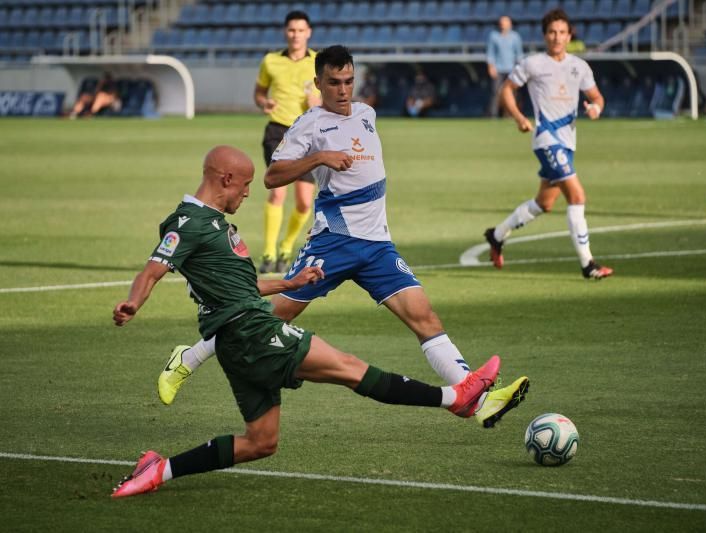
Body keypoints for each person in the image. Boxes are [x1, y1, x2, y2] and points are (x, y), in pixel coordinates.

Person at [158, 46, 530, 430]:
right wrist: (319, 158)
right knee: (266, 316)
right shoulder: (309, 124)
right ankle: (188, 359)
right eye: (334, 82)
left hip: (378, 246)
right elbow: (272, 176)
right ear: (318, 83)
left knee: (424, 317)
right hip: (332, 243)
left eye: (349, 81)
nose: (343, 89)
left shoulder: (367, 113)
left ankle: (478, 400)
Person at [111, 145, 501, 498]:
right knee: (350, 368)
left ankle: (158, 470)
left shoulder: (214, 222)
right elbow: (151, 271)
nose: (248, 193)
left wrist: (291, 282)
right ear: (225, 179)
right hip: (252, 332)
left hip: (236, 341)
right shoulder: (187, 222)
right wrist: (132, 302)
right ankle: (457, 398)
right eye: (244, 185)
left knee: (261, 442)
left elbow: (243, 285)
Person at [483, 9, 613, 280]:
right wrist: (518, 117)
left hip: (567, 143)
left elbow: (597, 98)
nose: (557, 37)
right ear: (545, 35)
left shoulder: (580, 66)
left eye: (562, 32)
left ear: (569, 35)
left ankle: (496, 236)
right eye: (552, 32)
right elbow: (506, 89)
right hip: (546, 140)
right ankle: (588, 265)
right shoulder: (533, 64)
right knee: (577, 196)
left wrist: (595, 109)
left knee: (544, 203)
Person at [255, 10, 321, 274]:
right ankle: (269, 254)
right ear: (286, 32)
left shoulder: (319, 61)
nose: (296, 35)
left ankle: (286, 247)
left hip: (307, 134)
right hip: (278, 131)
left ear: (309, 33)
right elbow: (259, 92)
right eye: (292, 30)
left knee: (305, 202)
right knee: (278, 191)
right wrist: (264, 102)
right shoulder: (270, 61)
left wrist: (317, 103)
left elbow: (330, 96)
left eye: (301, 30)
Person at [486, 16, 524, 118]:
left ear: (510, 24)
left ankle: (511, 114)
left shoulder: (515, 37)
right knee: (495, 92)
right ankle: (493, 114)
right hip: (498, 69)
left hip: (511, 69)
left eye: (505, 22)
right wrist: (491, 66)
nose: (502, 24)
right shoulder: (493, 36)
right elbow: (491, 53)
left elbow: (519, 54)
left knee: (512, 93)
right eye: (501, 22)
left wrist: (519, 68)